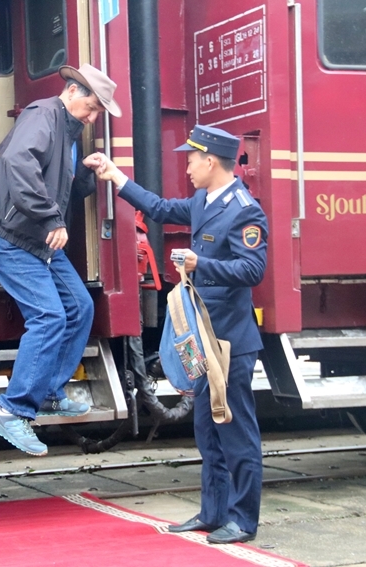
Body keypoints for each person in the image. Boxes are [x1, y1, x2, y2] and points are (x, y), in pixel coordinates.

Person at [90, 125, 268, 544]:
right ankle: (212, 512)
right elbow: (159, 207)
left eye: (191, 158)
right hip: (204, 337)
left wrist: (198, 264)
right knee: (208, 431)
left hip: (229, 342)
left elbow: (252, 271)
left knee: (236, 431)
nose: (186, 165)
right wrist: (116, 176)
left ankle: (243, 520)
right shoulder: (205, 199)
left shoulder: (245, 210)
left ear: (210, 161)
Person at [0, 64, 122, 457]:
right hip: (9, 238)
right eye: (91, 108)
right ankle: (11, 410)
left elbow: (59, 190)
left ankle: (49, 393)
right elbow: (18, 164)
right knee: (50, 317)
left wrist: (87, 176)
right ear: (73, 92)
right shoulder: (43, 116)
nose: (93, 118)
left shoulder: (67, 131)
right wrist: (50, 218)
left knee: (79, 307)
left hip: (36, 240)